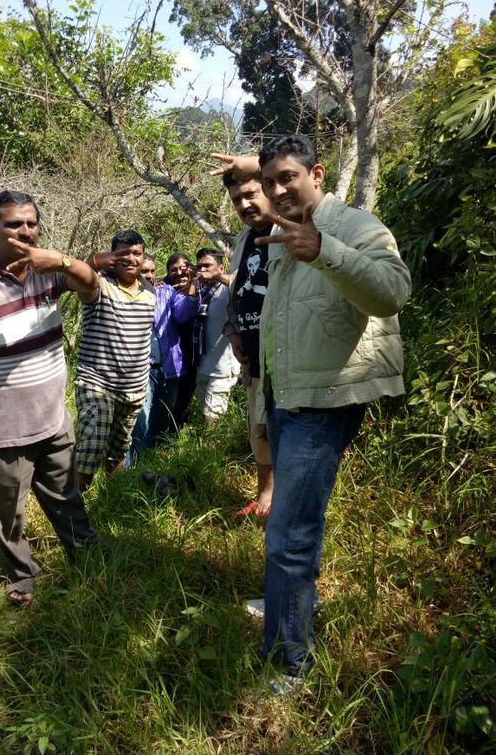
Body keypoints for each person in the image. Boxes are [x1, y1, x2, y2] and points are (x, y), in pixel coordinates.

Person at [215, 136, 411, 693]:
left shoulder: (354, 226)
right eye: (268, 181)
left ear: (317, 173)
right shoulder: (278, 232)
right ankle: (286, 604)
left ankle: (290, 664)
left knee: (290, 533)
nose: (277, 190)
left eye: (288, 179)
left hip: (324, 400)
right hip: (284, 392)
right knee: (291, 527)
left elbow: (393, 292)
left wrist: (323, 248)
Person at [0, 190, 99, 607]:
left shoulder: (48, 270)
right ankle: (22, 575)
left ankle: (86, 555)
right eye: (14, 224)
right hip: (0, 427)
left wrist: (61, 261)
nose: (25, 232)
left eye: (31, 223)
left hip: (52, 418)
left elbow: (92, 285)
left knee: (66, 496)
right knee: (8, 511)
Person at [75, 230, 155, 491]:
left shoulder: (150, 291)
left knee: (118, 450)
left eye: (136, 253)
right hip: (97, 382)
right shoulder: (98, 283)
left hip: (133, 388)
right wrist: (94, 261)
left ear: (144, 258)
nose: (130, 259)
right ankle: (73, 512)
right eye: (123, 253)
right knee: (91, 446)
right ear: (112, 256)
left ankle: (114, 501)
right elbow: (78, 275)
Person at [221, 172, 275, 521]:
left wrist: (256, 162)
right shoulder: (245, 238)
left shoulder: (290, 227)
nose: (244, 204)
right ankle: (264, 496)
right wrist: (233, 330)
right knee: (259, 429)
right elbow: (237, 289)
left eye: (251, 193)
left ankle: (282, 504)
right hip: (252, 355)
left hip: (284, 357)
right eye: (236, 199)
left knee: (280, 427)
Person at [126, 254, 198, 465]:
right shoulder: (127, 296)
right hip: (140, 369)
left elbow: (184, 313)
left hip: (169, 368)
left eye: (152, 271)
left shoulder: (166, 293)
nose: (149, 275)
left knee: (161, 418)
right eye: (144, 271)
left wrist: (192, 292)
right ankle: (132, 469)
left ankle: (151, 465)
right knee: (141, 421)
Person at [193, 247, 241, 424]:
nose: (203, 270)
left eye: (208, 265)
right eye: (200, 267)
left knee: (212, 419)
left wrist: (218, 277)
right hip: (202, 366)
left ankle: (212, 451)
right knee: (202, 418)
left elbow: (243, 286)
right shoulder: (199, 291)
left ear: (221, 268)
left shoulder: (228, 289)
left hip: (222, 369)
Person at [166, 252, 198, 428]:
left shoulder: (202, 286)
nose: (179, 273)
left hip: (196, 352)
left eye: (183, 268)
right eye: (173, 270)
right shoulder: (163, 290)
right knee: (172, 398)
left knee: (187, 396)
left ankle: (180, 432)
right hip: (173, 355)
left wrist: (193, 290)